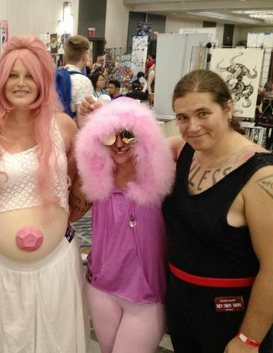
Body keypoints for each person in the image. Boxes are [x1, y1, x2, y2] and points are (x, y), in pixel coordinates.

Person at [0, 35, 87, 353]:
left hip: (55, 267)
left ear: (43, 80)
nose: (21, 83)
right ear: (1, 81)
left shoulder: (64, 127)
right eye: (13, 75)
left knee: (53, 341)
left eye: (29, 75)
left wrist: (100, 122)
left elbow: (115, 152)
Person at [163, 69, 273, 353]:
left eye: (203, 113)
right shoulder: (183, 151)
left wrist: (249, 340)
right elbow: (126, 149)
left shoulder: (262, 176)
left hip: (231, 313)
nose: (193, 126)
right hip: (182, 302)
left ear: (227, 108)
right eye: (182, 118)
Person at [73, 97, 175, 353]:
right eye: (109, 136)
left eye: (128, 135)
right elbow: (73, 215)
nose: (118, 144)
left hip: (146, 295)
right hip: (100, 287)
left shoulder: (160, 173)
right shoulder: (98, 175)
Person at [62, 35, 94, 118]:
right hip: (72, 129)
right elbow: (84, 121)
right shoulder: (83, 82)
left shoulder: (56, 76)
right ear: (84, 55)